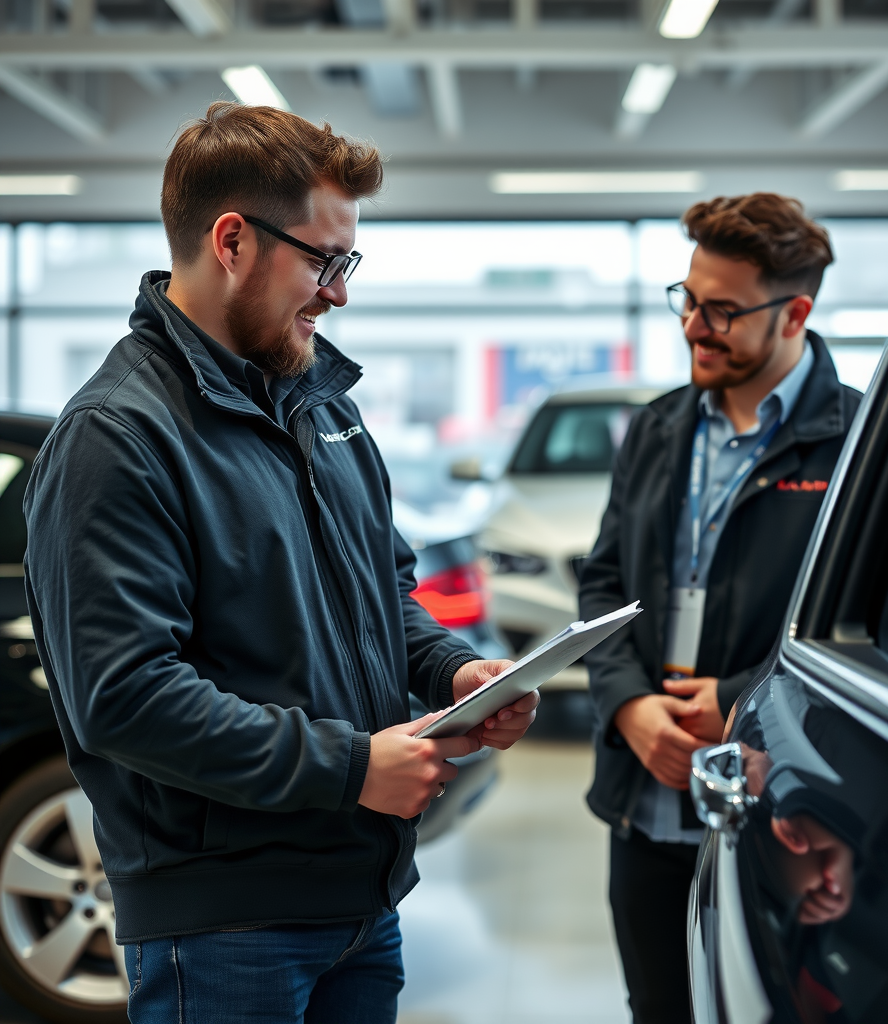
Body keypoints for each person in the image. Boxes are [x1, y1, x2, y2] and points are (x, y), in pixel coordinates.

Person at [23, 102, 538, 1024]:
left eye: (349, 263)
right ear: (231, 240)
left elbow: (381, 590)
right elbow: (126, 696)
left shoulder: (318, 405)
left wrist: (454, 670)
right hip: (224, 930)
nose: (339, 292)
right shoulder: (118, 437)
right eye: (322, 261)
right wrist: (351, 769)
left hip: (359, 899)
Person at [579, 192, 861, 1023]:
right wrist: (629, 707)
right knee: (660, 1007)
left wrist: (741, 701)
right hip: (645, 799)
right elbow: (604, 586)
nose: (695, 327)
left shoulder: (859, 443)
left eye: (724, 312)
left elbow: (869, 630)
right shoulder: (660, 428)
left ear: (795, 312)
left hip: (780, 809)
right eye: (689, 301)